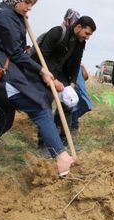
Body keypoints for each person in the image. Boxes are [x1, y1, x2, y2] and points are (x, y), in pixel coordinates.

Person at [0, 0, 74, 176]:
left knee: (4, 120)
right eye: (27, 1)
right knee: (40, 108)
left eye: (32, 3)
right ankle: (61, 158)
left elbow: (19, 48)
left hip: (2, 73)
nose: (30, 6)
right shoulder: (4, 16)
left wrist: (20, 20)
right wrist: (41, 70)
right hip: (3, 74)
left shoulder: (11, 15)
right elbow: (16, 53)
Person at [32, 10, 96, 150]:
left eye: (90, 35)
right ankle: (43, 144)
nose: (88, 37)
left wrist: (72, 82)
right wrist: (51, 79)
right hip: (43, 72)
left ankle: (64, 140)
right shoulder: (57, 32)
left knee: (68, 104)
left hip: (61, 74)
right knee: (45, 107)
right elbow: (42, 56)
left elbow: (76, 62)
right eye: (87, 33)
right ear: (78, 27)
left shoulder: (80, 43)